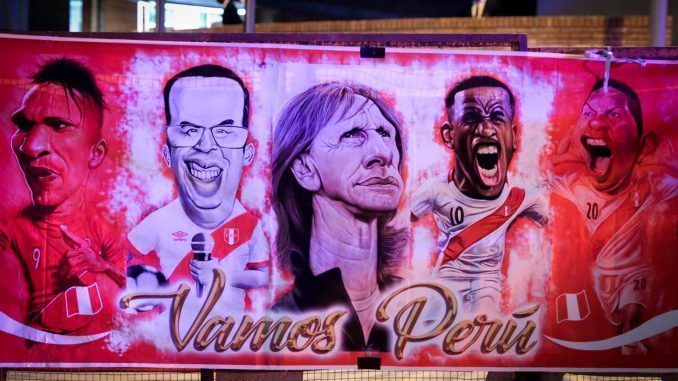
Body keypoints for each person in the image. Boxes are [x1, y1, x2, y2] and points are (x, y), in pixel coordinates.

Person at [271, 82, 406, 351]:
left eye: (384, 133)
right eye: (352, 135)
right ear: (305, 169)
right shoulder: (283, 321)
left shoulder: (415, 304)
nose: (383, 153)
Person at [127, 65, 269, 313]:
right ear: (167, 154)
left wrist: (221, 275)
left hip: (231, 340)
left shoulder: (250, 225)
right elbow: (125, 261)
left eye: (224, 131)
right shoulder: (157, 223)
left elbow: (262, 276)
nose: (206, 146)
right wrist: (143, 280)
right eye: (189, 130)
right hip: (172, 342)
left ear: (247, 154)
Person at [0, 58, 125, 340]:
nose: (31, 147)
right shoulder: (10, 230)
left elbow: (139, 298)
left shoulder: (110, 229)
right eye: (24, 125)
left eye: (58, 125)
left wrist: (100, 266)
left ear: (96, 152)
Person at [550, 78, 677, 354]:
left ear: (644, 145)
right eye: (588, 113)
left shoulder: (653, 186)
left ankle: (631, 336)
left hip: (632, 277)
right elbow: (536, 175)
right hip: (590, 281)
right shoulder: (572, 184)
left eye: (613, 114)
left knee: (636, 295)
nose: (596, 123)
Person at [411, 76, 547, 312]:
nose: (485, 129)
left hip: (486, 282)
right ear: (449, 135)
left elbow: (565, 226)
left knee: (481, 329)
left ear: (512, 136)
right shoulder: (434, 191)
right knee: (433, 336)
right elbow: (392, 224)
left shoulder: (522, 196)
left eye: (497, 117)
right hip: (447, 278)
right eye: (471, 118)